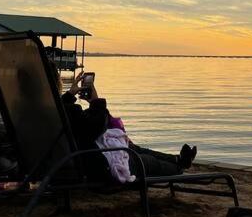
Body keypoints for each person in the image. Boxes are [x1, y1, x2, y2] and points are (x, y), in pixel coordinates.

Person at [62, 71, 197, 182]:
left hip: (77, 159)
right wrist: (96, 102)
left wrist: (68, 97)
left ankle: (178, 160)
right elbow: (95, 127)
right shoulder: (68, 112)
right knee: (149, 162)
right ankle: (178, 168)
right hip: (98, 166)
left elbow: (81, 124)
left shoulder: (51, 112)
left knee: (135, 149)